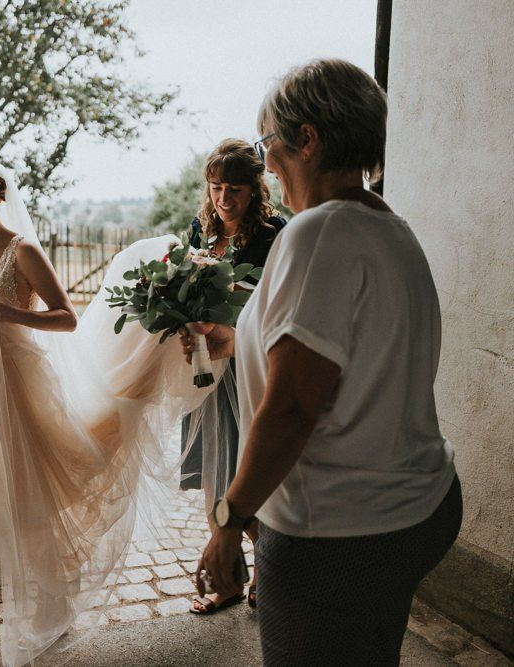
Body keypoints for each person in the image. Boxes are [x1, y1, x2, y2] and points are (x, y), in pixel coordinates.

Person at [0, 154, 219, 667]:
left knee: (26, 512)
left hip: (14, 394)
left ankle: (45, 618)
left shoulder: (22, 252)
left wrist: (6, 313)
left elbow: (66, 318)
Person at [185, 59, 461, 664]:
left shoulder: (317, 234)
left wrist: (230, 520)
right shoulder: (391, 227)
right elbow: (350, 355)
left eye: (267, 146)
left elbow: (292, 406)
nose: (266, 165)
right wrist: (231, 341)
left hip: (340, 532)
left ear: (307, 139)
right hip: (419, 503)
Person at [179, 138, 286, 615]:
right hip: (208, 369)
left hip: (249, 369)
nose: (224, 199)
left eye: (236, 189)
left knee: (248, 471)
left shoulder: (274, 234)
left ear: (254, 189)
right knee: (214, 477)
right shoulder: (198, 230)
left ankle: (269, 573)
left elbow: (276, 308)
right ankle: (228, 582)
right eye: (217, 188)